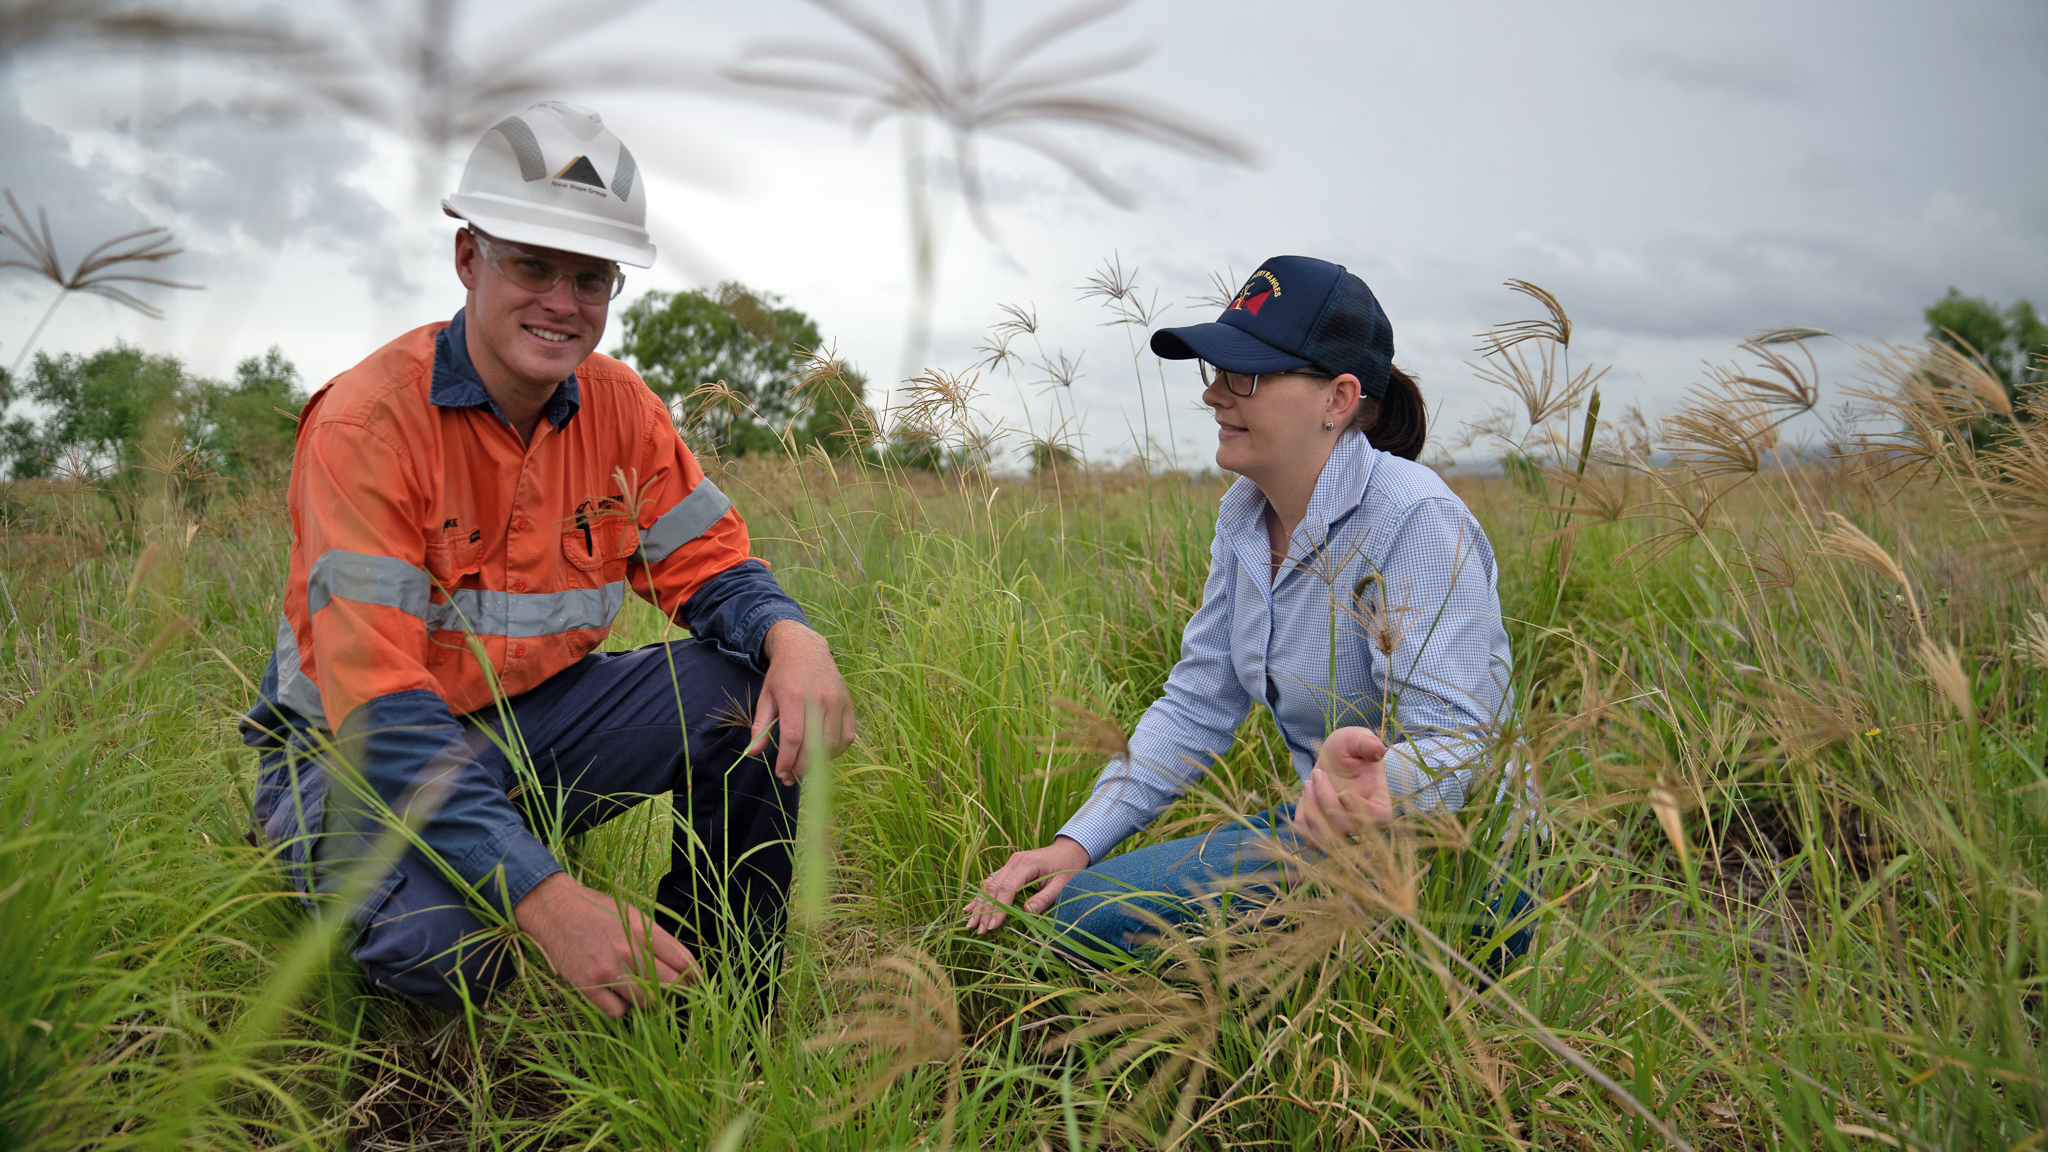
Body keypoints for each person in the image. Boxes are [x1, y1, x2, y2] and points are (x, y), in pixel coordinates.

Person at [242, 101, 856, 1018]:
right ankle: (350, 897)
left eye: (592, 279)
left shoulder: (621, 407)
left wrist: (790, 636)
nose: (562, 304)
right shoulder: (369, 424)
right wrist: (549, 899)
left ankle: (714, 1012)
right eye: (531, 265)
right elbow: (382, 713)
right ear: (468, 261)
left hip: (515, 730)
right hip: (350, 756)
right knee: (447, 951)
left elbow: (711, 568)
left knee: (751, 688)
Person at [969, 255, 1524, 957]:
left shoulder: (1413, 519)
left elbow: (1462, 745)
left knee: (1099, 919)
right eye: (1216, 373)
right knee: (1079, 903)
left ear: (1338, 398)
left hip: (1458, 869)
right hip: (1328, 835)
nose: (1215, 396)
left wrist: (1381, 779)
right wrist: (1077, 841)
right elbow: (1200, 702)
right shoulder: (1245, 518)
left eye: (1247, 376)